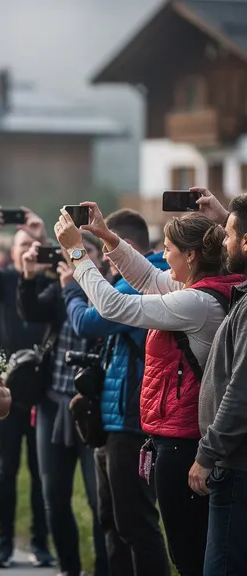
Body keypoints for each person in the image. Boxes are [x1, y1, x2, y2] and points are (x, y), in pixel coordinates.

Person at [55, 203, 247, 576]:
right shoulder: (203, 289)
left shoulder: (196, 302)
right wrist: (108, 237)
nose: (161, 255)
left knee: (190, 555)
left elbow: (112, 305)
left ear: (189, 256)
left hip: (183, 440)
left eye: (167, 248)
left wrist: (77, 253)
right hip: (180, 436)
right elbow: (146, 279)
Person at [64, 208, 171, 576]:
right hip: (114, 419)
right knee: (113, 522)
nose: (108, 262)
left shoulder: (144, 278)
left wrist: (70, 289)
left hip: (132, 421)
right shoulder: (137, 275)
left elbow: (92, 321)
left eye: (109, 252)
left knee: (136, 525)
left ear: (126, 247)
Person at [18, 232, 109, 576]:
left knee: (100, 499)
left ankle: (104, 568)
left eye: (86, 256)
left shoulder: (111, 290)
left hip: (94, 409)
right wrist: (28, 274)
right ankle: (69, 568)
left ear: (101, 259)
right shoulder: (60, 287)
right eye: (74, 256)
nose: (79, 263)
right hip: (53, 404)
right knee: (53, 496)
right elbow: (32, 310)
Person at [0, 204, 55, 569]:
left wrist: (42, 239)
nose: (27, 251)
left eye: (33, 245)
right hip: (7, 391)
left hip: (44, 392)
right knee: (5, 470)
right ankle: (4, 544)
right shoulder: (4, 281)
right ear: (11, 252)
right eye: (21, 245)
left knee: (41, 473)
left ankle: (40, 543)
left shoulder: (52, 282)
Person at [187, 190, 247, 575]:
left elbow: (241, 390)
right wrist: (228, 215)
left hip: (236, 467)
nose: (222, 242)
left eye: (227, 234)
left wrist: (207, 455)